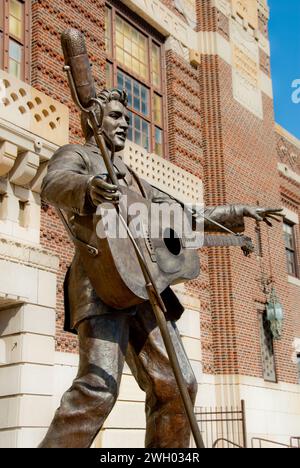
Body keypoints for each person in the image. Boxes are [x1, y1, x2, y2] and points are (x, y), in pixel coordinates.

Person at [38, 89, 283, 448]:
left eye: (126, 116)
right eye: (116, 116)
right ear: (94, 120)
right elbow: (53, 183)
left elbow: (182, 213)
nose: (125, 122)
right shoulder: (77, 155)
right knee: (98, 388)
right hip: (102, 283)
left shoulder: (135, 180)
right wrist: (89, 187)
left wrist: (235, 213)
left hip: (144, 286)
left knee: (178, 384)